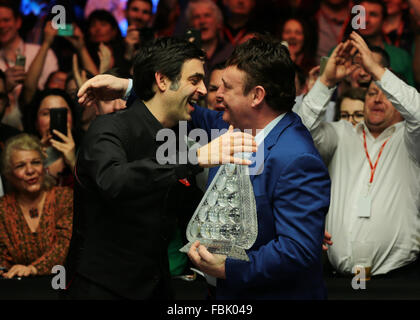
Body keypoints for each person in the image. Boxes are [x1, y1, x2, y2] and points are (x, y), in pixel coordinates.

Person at [66, 37, 257, 300]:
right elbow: (113, 181)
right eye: (194, 80)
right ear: (163, 81)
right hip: (102, 288)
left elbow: (197, 211)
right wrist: (194, 158)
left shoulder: (177, 138)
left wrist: (283, 222)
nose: (203, 90)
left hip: (155, 287)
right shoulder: (110, 128)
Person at [187, 34, 331, 299]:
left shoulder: (297, 158)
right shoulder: (230, 126)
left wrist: (229, 268)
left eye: (226, 88)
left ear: (256, 95)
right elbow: (190, 112)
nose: (216, 95)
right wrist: (131, 87)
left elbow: (297, 249)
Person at [298, 32, 420, 283]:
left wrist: (376, 70)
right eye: (372, 92)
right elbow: (300, 132)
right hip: (337, 279)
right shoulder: (342, 134)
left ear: (398, 100)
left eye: (386, 93)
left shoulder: (410, 140)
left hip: (396, 282)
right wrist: (325, 83)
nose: (377, 98)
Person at [0, 133, 73, 278]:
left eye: (35, 162)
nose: (30, 170)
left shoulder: (64, 197)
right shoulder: (2, 209)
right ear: (8, 174)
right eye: (20, 165)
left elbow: (65, 246)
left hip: (63, 287)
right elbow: (3, 258)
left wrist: (33, 269)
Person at [0, 2, 58, 130]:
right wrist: (5, 87)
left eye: (6, 20)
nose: (1, 25)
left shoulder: (43, 52)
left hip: (37, 125)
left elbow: (52, 90)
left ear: (18, 22)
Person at [185, 0, 234, 85]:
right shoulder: (185, 55)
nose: (202, 21)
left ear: (219, 23)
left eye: (207, 15)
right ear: (191, 24)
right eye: (197, 17)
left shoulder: (231, 52)